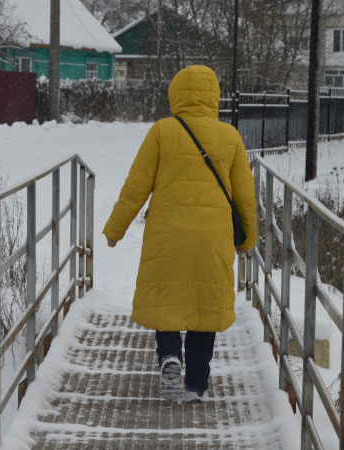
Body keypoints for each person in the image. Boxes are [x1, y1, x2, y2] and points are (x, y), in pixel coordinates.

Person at [102, 65, 257, 402]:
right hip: (212, 238)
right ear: (214, 97)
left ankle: (170, 356)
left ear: (175, 95)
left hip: (167, 234)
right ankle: (197, 384)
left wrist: (116, 229)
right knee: (206, 306)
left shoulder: (162, 131)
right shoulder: (230, 136)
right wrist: (247, 239)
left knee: (167, 300)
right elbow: (245, 195)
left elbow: (136, 187)